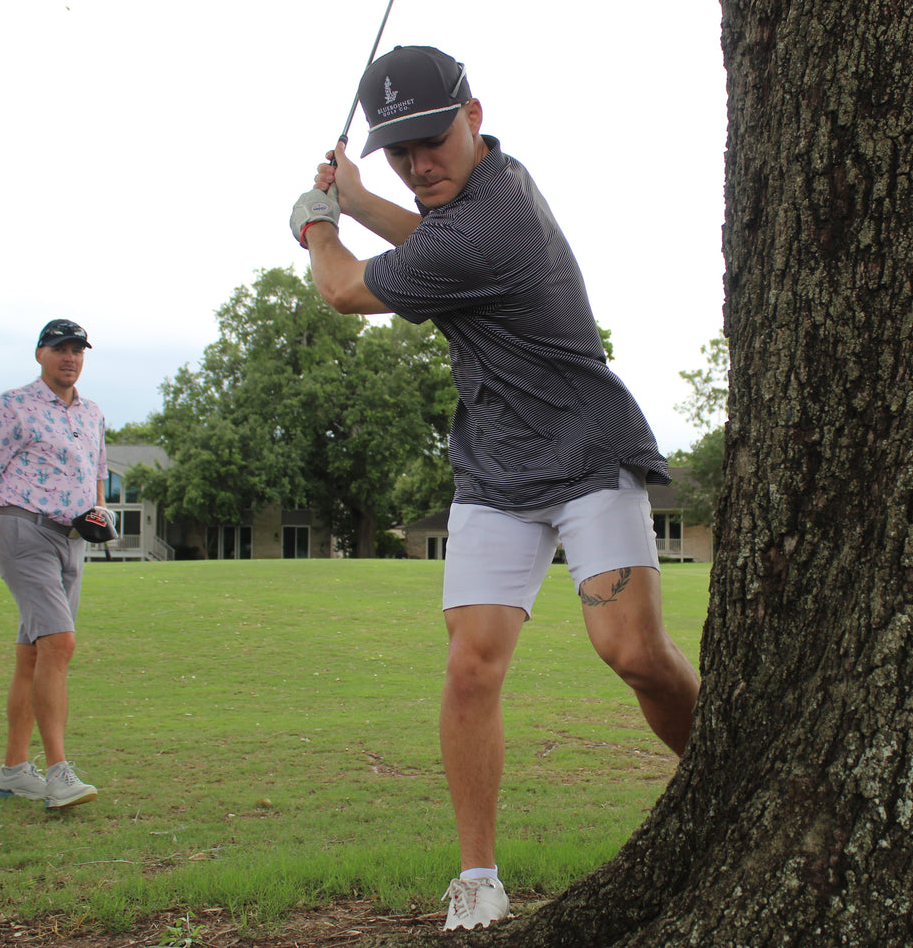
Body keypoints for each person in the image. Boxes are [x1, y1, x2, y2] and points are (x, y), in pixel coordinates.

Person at [290, 46, 701, 930]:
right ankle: (476, 874)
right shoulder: (476, 198)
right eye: (398, 153)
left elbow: (341, 289)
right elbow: (428, 244)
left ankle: (722, 774)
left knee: (631, 652)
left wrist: (316, 224)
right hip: (493, 471)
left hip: (587, 453)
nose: (418, 165)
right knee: (470, 665)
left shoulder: (497, 217)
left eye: (431, 142)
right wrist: (361, 200)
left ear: (473, 115)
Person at [0, 318, 106, 809]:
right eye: (60, 348)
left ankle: (15, 772)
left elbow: (97, 474)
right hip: (24, 531)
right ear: (40, 353)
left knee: (35, 655)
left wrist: (98, 512)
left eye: (77, 350)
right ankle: (59, 773)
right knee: (60, 645)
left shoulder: (92, 414)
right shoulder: (12, 406)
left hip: (72, 540)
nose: (70, 357)